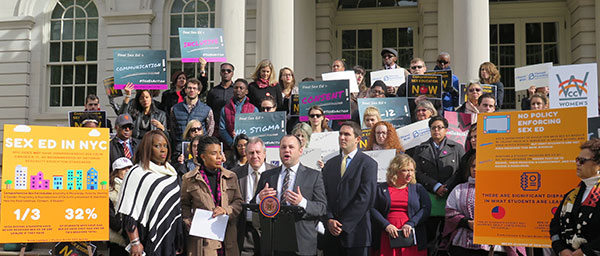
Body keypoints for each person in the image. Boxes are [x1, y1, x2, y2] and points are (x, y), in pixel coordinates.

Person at [255, 135, 328, 256]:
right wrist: (259, 198)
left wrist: (302, 203)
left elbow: (322, 208)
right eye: (283, 147)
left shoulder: (314, 176)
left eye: (291, 147)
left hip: (301, 244)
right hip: (274, 243)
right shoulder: (267, 176)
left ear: (300, 151)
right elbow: (254, 205)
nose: (286, 150)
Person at [443, 155, 526, 256]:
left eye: (479, 165)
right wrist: (467, 223)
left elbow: (511, 216)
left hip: (493, 247)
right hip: (462, 246)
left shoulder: (501, 189)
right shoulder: (459, 189)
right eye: (473, 166)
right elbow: (450, 214)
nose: (475, 169)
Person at [116, 130, 182, 256]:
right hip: (145, 237)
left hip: (169, 239)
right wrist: (135, 242)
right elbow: (129, 212)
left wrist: (178, 240)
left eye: (165, 145)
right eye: (157, 146)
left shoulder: (172, 173)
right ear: (147, 148)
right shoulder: (136, 173)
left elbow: (175, 210)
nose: (163, 150)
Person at [322, 121, 378, 256]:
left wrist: (343, 224)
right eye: (340, 134)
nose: (342, 137)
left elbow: (366, 198)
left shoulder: (368, 164)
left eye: (347, 134)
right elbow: (323, 195)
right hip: (331, 236)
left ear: (358, 139)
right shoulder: (330, 164)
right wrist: (329, 219)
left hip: (356, 235)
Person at [181, 136, 243, 256]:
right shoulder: (189, 179)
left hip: (227, 239)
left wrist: (226, 210)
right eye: (214, 153)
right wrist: (187, 220)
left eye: (220, 152)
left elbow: (238, 202)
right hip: (203, 243)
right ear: (203, 156)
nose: (219, 157)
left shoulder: (231, 176)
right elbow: (184, 204)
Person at [412, 116, 465, 254]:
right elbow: (417, 172)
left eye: (440, 127)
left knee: (447, 236)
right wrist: (435, 186)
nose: (436, 130)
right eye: (433, 127)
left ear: (446, 130)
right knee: (430, 235)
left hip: (450, 196)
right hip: (429, 196)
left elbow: (461, 171)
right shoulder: (420, 149)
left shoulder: (457, 148)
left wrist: (446, 186)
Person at [371, 154, 431, 256]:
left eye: (412, 170)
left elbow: (426, 209)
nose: (410, 174)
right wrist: (386, 225)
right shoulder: (380, 188)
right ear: (395, 171)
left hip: (411, 235)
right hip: (387, 235)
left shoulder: (418, 188)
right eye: (405, 170)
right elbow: (372, 209)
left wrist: (411, 224)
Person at [550, 139, 600, 256]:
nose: (577, 163)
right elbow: (554, 226)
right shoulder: (571, 195)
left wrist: (585, 252)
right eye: (577, 159)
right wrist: (561, 250)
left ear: (598, 164)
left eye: (582, 161)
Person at [231, 137, 276, 256]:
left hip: (270, 232)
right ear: (246, 154)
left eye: (258, 152)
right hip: (245, 231)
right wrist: (257, 199)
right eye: (251, 153)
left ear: (265, 154)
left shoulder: (276, 173)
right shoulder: (235, 174)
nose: (255, 156)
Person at [169, 78, 215, 154]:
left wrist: (203, 141)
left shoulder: (207, 109)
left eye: (194, 88)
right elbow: (173, 128)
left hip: (199, 148)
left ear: (199, 91)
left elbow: (210, 129)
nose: (192, 90)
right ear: (185, 90)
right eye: (189, 88)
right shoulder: (175, 109)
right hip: (180, 149)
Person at [219, 78, 259, 147]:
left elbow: (256, 129)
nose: (238, 90)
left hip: (248, 147)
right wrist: (232, 143)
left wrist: (247, 144)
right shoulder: (225, 109)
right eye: (236, 88)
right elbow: (222, 129)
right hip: (230, 147)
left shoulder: (253, 109)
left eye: (241, 88)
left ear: (246, 91)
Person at [109, 157, 133, 256]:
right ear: (116, 172)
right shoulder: (109, 190)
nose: (127, 171)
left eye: (129, 168)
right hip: (118, 238)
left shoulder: (136, 186)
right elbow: (109, 215)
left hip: (135, 237)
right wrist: (122, 230)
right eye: (123, 169)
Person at [207, 63, 235, 132]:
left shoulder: (236, 90)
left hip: (233, 126)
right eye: (223, 71)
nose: (226, 72)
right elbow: (209, 109)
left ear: (232, 73)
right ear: (220, 73)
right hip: (217, 127)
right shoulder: (213, 91)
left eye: (228, 71)